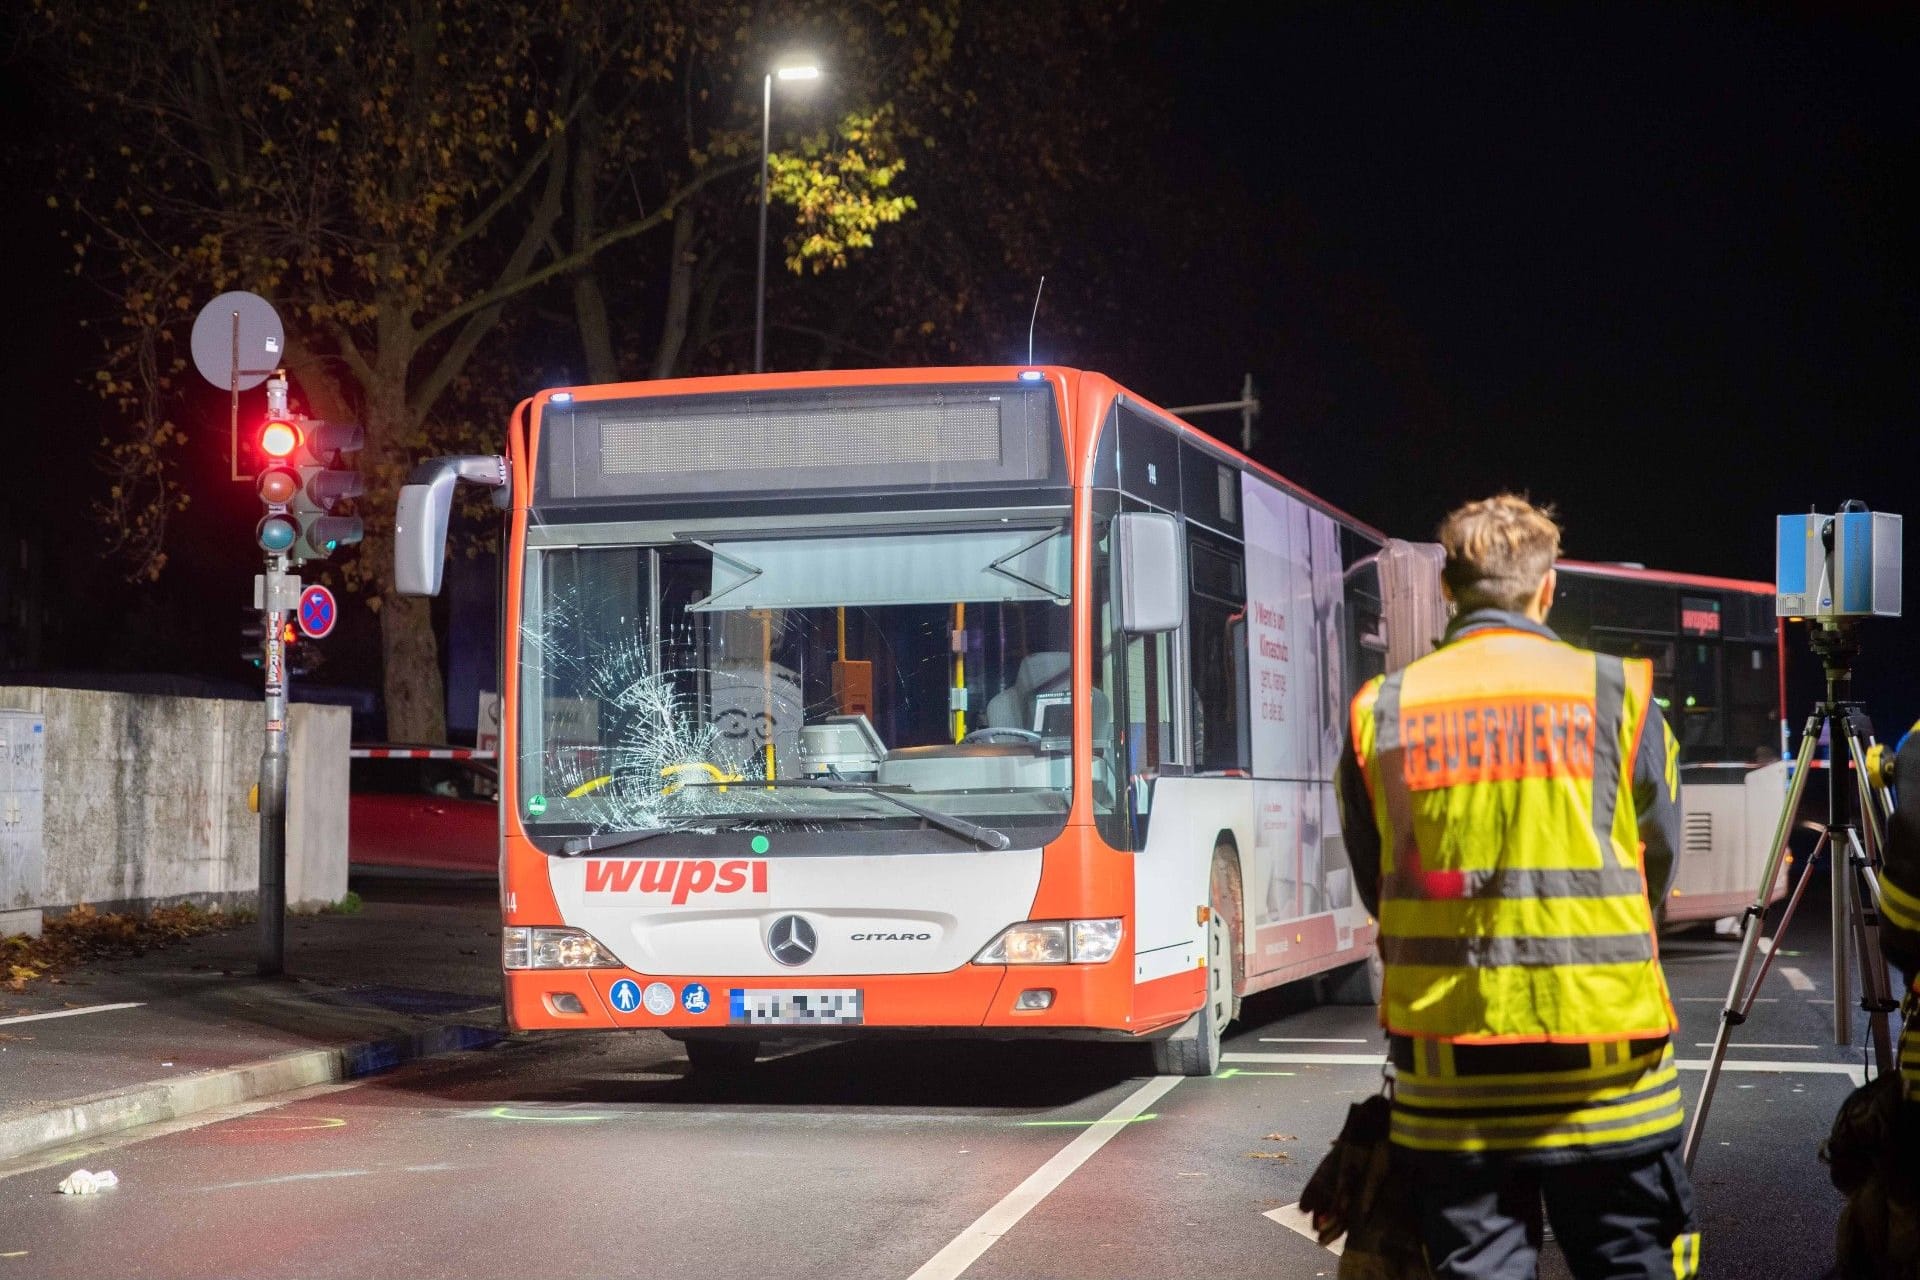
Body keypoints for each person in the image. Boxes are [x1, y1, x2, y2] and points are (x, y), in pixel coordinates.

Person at [1336, 494, 1698, 1280]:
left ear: (1448, 590)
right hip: (1608, 1074)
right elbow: (1658, 861)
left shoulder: (1385, 710)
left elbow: (1381, 882)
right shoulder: (1617, 694)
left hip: (1451, 1082)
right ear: (1548, 588)